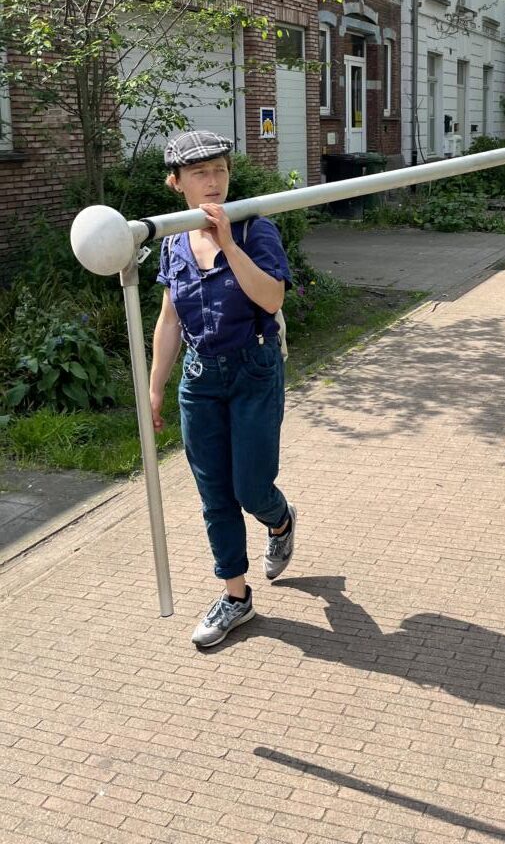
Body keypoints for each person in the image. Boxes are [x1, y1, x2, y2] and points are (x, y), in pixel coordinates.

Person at [150, 130, 297, 648]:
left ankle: (280, 522)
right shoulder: (172, 241)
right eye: (199, 173)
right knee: (215, 494)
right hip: (199, 380)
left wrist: (229, 244)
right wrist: (155, 388)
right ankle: (236, 597)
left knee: (251, 488)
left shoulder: (255, 229)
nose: (213, 182)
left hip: (253, 370)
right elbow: (170, 319)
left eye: (220, 170)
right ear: (176, 182)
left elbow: (272, 298)